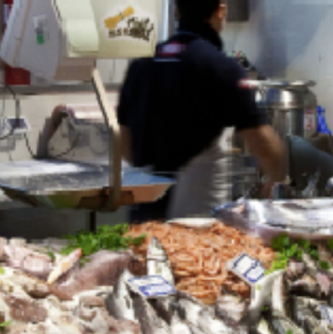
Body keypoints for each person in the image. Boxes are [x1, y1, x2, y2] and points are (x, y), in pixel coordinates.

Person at [118, 0, 286, 222]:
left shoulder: (142, 66)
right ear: (220, 10)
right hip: (195, 227)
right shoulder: (222, 69)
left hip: (144, 219)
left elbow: (123, 142)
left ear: (177, 9)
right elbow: (262, 143)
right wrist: (279, 177)